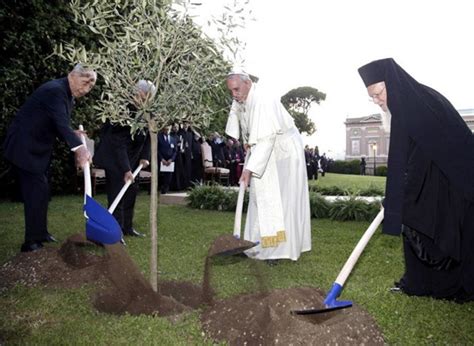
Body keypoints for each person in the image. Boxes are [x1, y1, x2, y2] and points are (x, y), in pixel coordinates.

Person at [358, 58, 474, 301]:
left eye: (379, 94)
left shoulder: (415, 107)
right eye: (373, 98)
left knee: (429, 223)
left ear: (392, 84)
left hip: (455, 181)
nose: (378, 102)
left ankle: (438, 283)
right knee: (413, 219)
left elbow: (413, 162)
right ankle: (419, 282)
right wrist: (396, 199)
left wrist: (397, 199)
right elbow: (409, 160)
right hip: (435, 175)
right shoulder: (410, 101)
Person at [3, 64, 96, 252]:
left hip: (38, 149)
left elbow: (56, 122)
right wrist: (79, 149)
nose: (86, 90)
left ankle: (41, 233)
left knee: (43, 192)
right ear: (73, 76)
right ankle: (30, 242)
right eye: (85, 83)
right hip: (25, 148)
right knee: (35, 193)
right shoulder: (55, 91)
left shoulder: (66, 94)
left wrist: (74, 133)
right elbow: (60, 124)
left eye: (90, 87)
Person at [225, 69, 312, 264]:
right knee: (260, 196)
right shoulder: (241, 98)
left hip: (284, 153)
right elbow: (246, 125)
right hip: (265, 150)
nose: (234, 94)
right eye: (231, 91)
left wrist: (248, 169)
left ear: (247, 83)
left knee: (281, 202)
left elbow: (266, 138)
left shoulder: (263, 99)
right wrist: (247, 140)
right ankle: (256, 244)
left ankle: (278, 251)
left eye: (237, 89)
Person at [93, 80, 153, 238]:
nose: (150, 99)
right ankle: (115, 231)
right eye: (148, 96)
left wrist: (144, 157)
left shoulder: (147, 111)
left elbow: (150, 137)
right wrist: (126, 169)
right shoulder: (122, 111)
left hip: (132, 158)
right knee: (117, 194)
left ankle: (127, 227)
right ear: (139, 94)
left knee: (131, 192)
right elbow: (118, 143)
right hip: (115, 158)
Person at [158, 125, 177, 194]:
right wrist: (162, 159)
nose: (167, 131)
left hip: (170, 161)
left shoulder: (173, 139)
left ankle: (165, 190)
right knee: (160, 176)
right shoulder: (159, 138)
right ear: (163, 130)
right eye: (166, 129)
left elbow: (175, 151)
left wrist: (171, 159)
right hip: (161, 160)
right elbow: (157, 150)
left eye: (168, 129)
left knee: (168, 177)